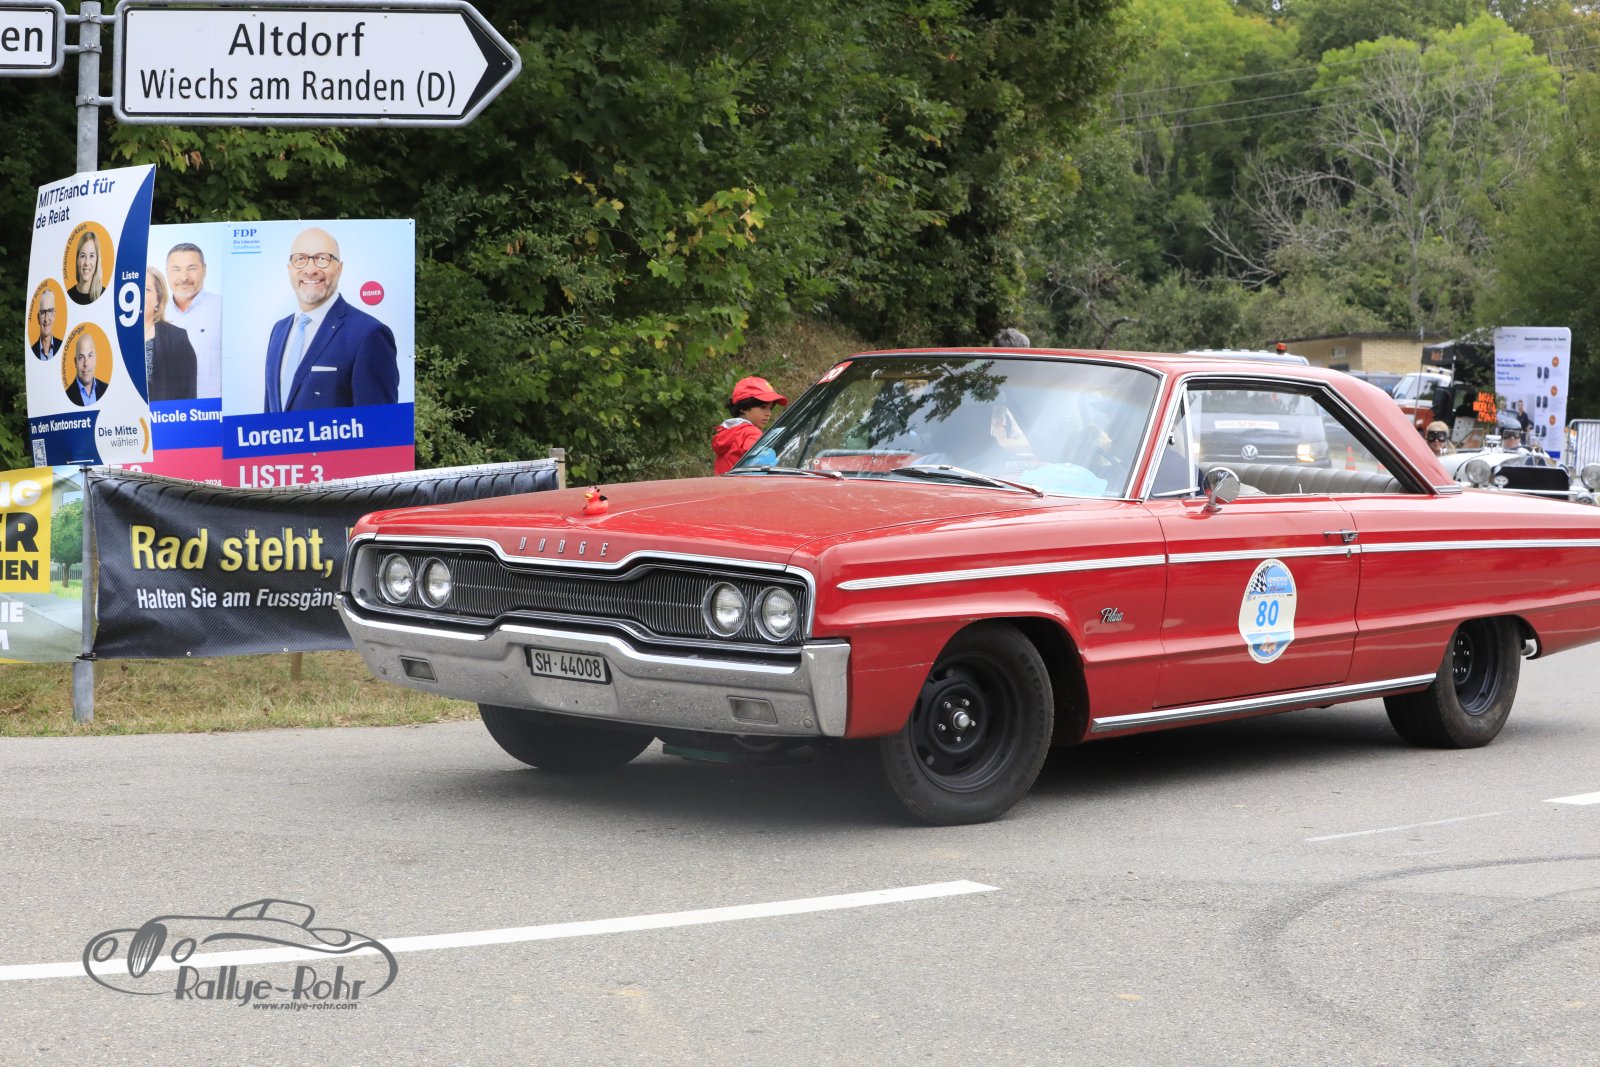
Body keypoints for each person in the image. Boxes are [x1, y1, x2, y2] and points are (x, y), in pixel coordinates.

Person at [263, 227, 398, 412]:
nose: (310, 270)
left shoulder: (369, 334)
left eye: (322, 258)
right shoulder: (278, 330)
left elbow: (379, 423)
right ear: (289, 269)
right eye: (300, 259)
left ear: (339, 268)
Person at [164, 242, 223, 398]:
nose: (184, 277)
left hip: (214, 409)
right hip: (167, 410)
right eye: (176, 269)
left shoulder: (224, 308)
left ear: (204, 270)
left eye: (192, 268)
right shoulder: (155, 313)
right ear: (167, 272)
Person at [144, 267, 198, 402]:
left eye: (146, 289)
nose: (138, 294)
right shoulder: (114, 339)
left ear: (158, 298)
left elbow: (188, 397)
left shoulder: (177, 338)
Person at [713, 376, 787, 473]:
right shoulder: (751, 433)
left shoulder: (728, 432)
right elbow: (761, 464)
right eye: (763, 407)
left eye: (770, 408)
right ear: (743, 407)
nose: (768, 413)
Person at [67, 231, 104, 305]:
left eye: (91, 256)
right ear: (77, 260)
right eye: (83, 256)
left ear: (97, 260)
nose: (87, 263)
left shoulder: (104, 294)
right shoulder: (68, 295)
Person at [65, 333, 100, 406]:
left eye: (90, 356)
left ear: (95, 358)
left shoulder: (106, 389)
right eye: (81, 357)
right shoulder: (66, 396)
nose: (86, 363)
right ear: (75, 362)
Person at [30, 288, 61, 360]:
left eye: (50, 311)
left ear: (54, 315)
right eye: (43, 312)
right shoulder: (31, 351)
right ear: (38, 318)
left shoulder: (62, 346)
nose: (46, 319)